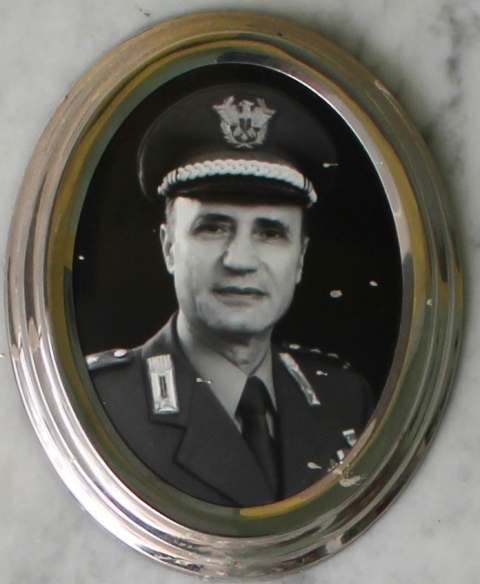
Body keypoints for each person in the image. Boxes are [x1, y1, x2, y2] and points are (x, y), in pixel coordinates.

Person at [87, 82, 374, 507]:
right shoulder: (103, 405)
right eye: (212, 227)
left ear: (300, 258)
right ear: (169, 247)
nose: (240, 260)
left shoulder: (346, 400)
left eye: (270, 232)